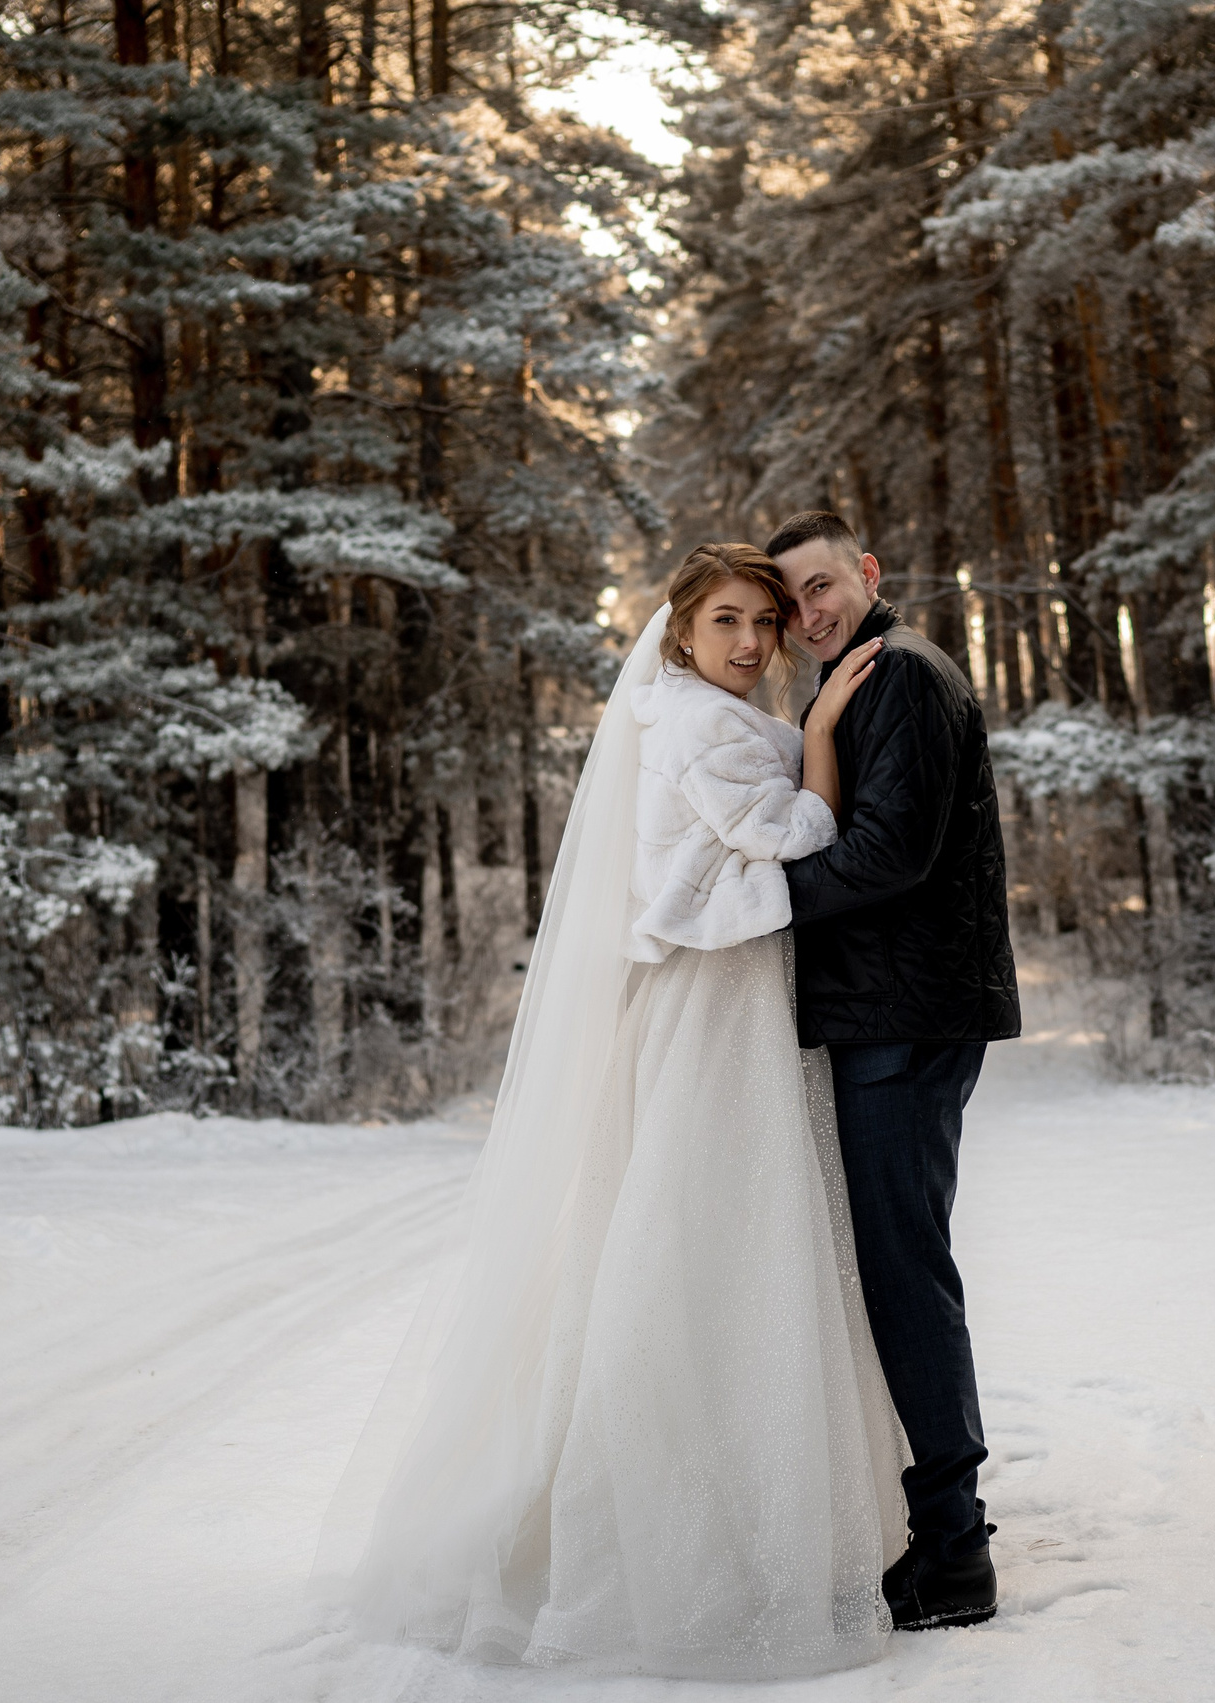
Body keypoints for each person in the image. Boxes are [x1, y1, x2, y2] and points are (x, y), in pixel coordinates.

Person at [326, 543, 902, 1679]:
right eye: (726, 619)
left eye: (765, 623)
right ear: (680, 629)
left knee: (714, 1243)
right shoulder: (699, 724)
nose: (749, 642)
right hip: (710, 1006)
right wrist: (826, 735)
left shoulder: (688, 713)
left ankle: (744, 1505)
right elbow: (803, 837)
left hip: (726, 998)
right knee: (697, 1245)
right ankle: (671, 1533)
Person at [767, 509, 1021, 1631]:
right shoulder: (864, 680)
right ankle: (939, 1524)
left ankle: (955, 1549)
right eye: (793, 605)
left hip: (905, 1022)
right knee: (898, 1268)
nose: (811, 613)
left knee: (907, 1272)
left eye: (823, 586)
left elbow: (886, 854)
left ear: (865, 573)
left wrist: (747, 904)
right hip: (890, 1015)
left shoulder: (904, 675)